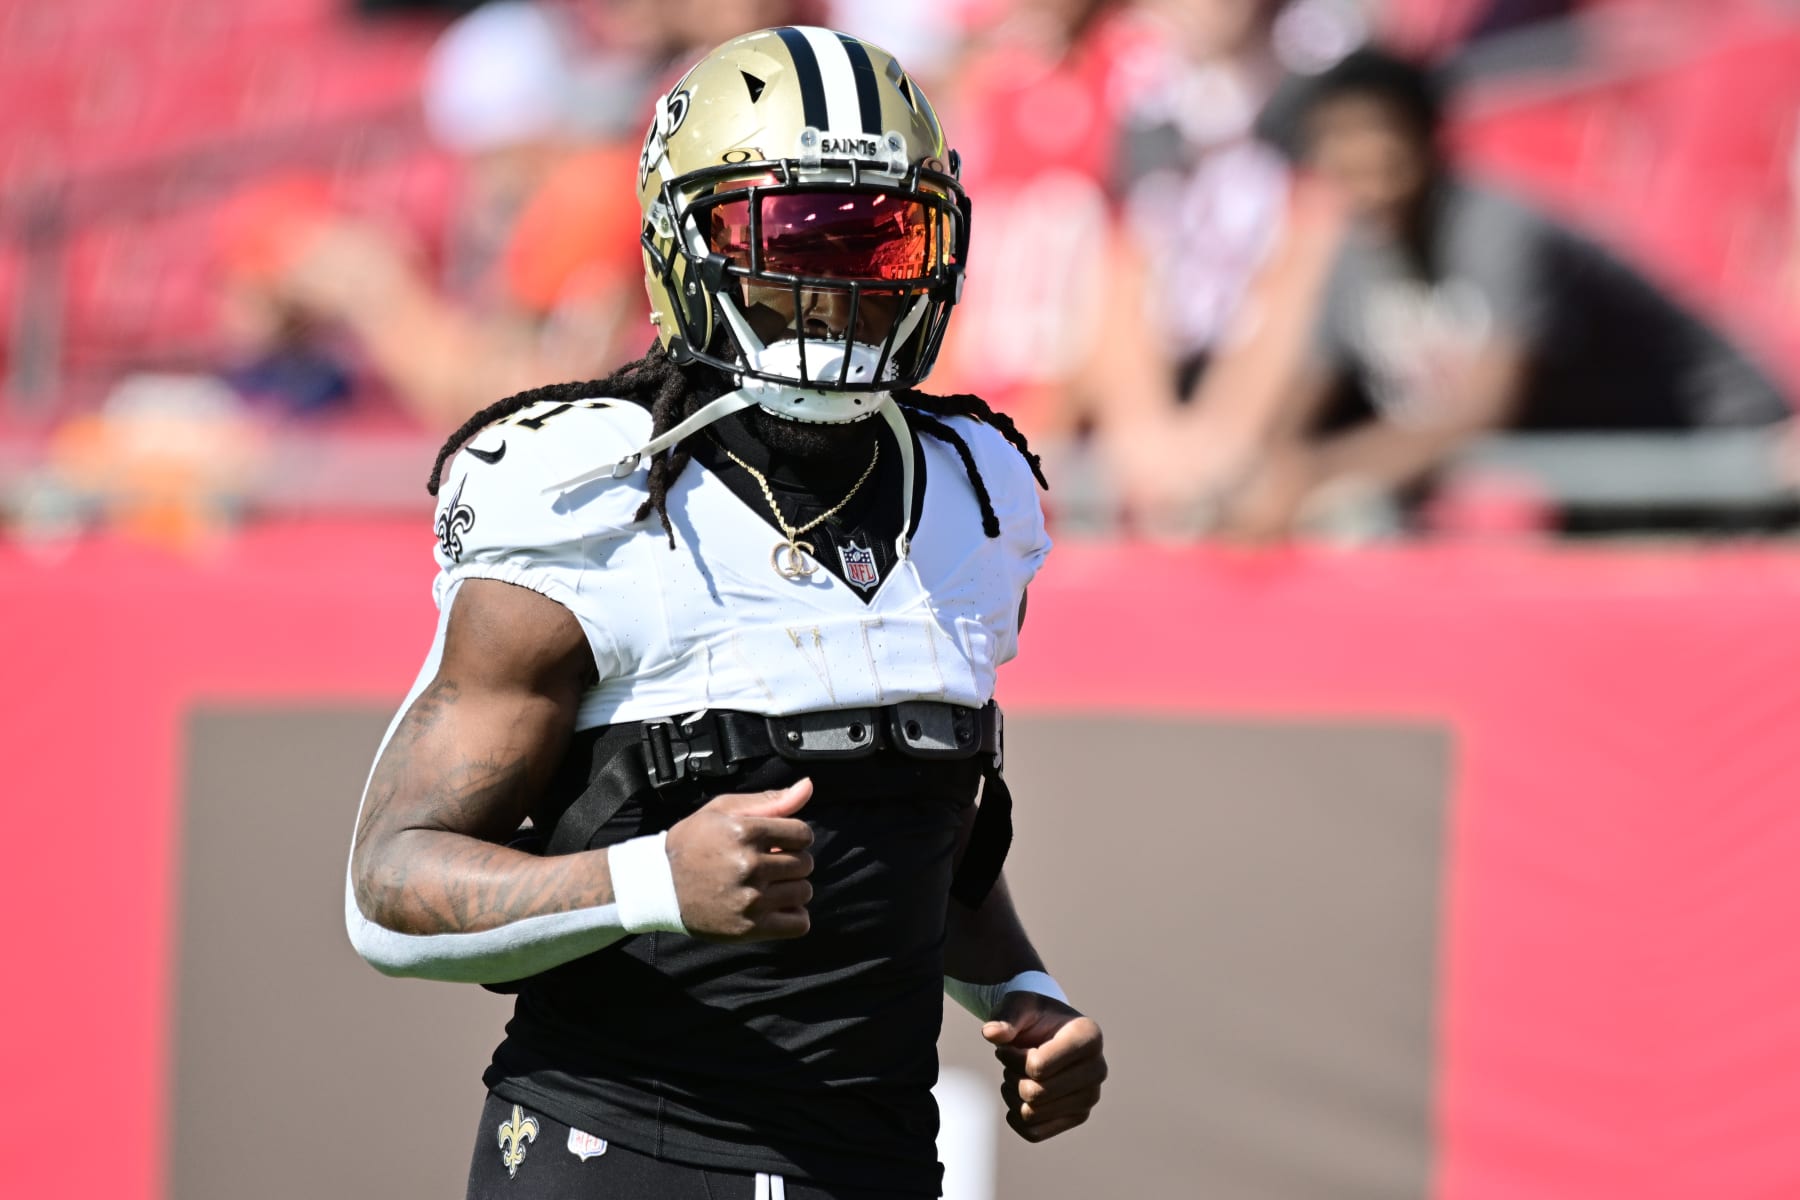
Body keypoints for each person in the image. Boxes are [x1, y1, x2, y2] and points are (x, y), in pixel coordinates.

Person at [344, 25, 1107, 1200]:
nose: (840, 280)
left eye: (880, 234)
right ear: (682, 241)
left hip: (879, 1163)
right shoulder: (588, 492)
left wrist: (1018, 992)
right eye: (793, 233)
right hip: (622, 1156)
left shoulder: (977, 489)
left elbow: (916, 842)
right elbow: (390, 889)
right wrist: (649, 882)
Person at [1214, 46, 1792, 539]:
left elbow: (1483, 406)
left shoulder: (1498, 229)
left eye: (1374, 132)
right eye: (1336, 140)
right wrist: (1261, 477)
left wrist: (1319, 475)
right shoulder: (1354, 254)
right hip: (1596, 471)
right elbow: (1303, 397)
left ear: (1425, 136)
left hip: (1717, 452)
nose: (1360, 157)